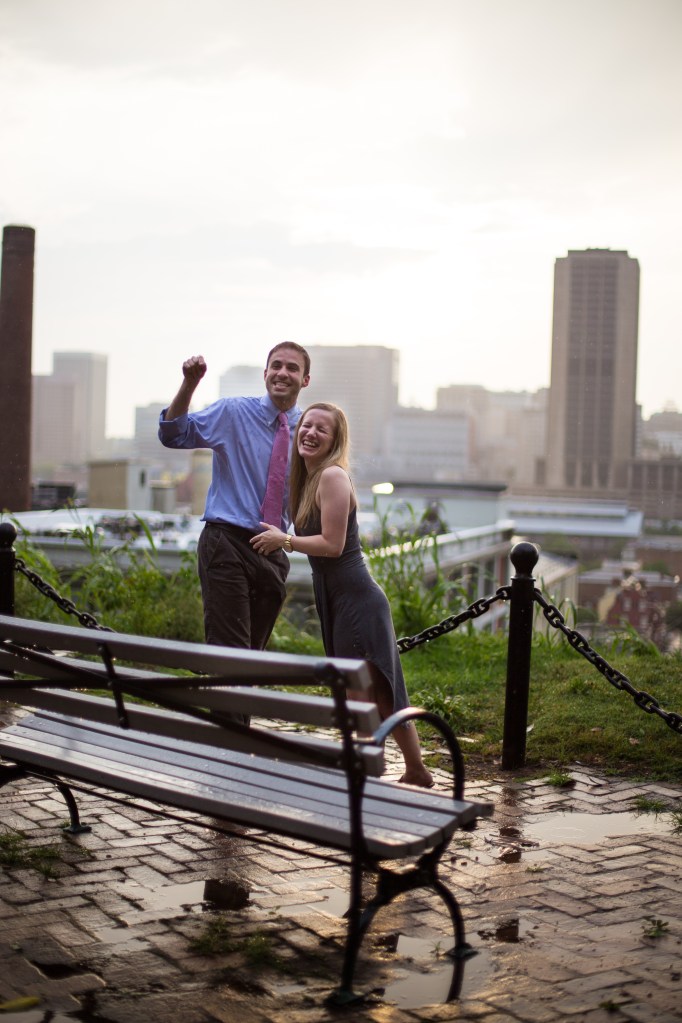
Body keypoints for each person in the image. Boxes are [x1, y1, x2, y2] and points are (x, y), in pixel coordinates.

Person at [251, 402, 434, 788]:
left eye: (322, 429)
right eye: (307, 425)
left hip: (356, 598)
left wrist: (284, 540)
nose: (311, 432)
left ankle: (369, 772)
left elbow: (332, 545)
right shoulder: (307, 479)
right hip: (338, 597)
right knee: (378, 691)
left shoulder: (332, 476)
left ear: (335, 441)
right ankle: (413, 770)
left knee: (366, 692)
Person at [158, 343, 310, 656]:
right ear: (265, 374)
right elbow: (173, 434)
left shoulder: (309, 431)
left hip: (273, 550)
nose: (283, 373)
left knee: (253, 654)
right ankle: (229, 704)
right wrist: (189, 384)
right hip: (226, 541)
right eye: (276, 366)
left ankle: (232, 704)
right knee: (230, 653)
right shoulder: (233, 412)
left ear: (305, 379)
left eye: (292, 368)